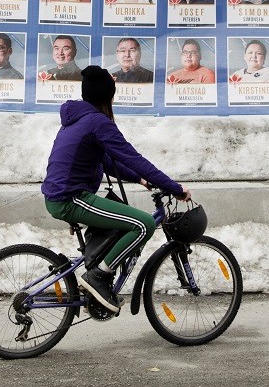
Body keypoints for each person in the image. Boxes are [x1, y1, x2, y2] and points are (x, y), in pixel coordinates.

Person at [41, 66, 190, 314]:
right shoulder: (97, 122)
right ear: (108, 96)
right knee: (144, 224)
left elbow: (107, 161)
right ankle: (97, 277)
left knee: (123, 223)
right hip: (71, 198)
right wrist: (173, 187)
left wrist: (140, 179)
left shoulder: (78, 118)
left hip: (64, 195)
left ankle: (98, 281)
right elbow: (133, 157)